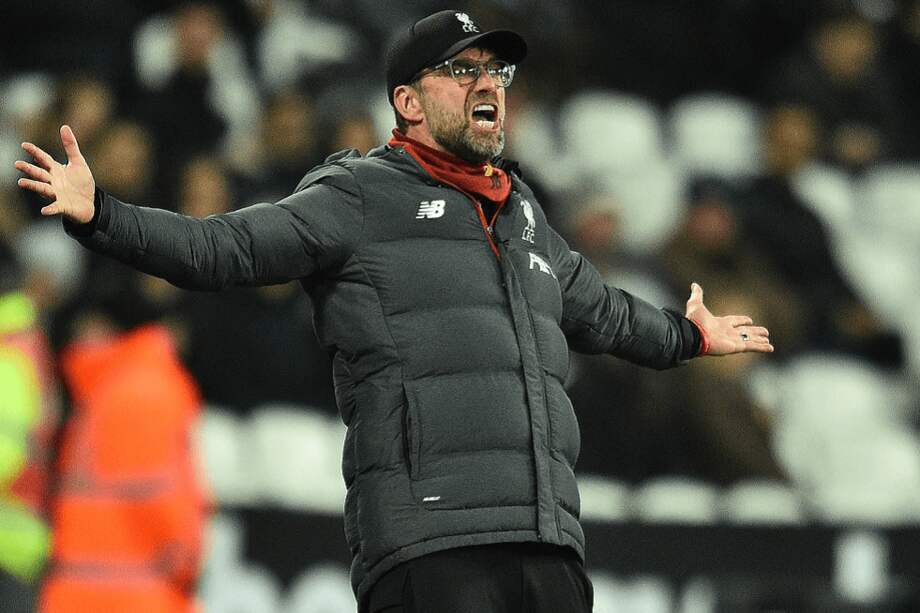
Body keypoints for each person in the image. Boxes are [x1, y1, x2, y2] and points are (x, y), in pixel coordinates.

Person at [15, 10, 772, 613]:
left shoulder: (524, 213)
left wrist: (684, 334)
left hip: (548, 544)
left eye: (496, 70)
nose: (490, 84)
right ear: (407, 101)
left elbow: (603, 312)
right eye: (462, 70)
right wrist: (102, 214)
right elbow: (226, 249)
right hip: (431, 548)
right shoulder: (357, 196)